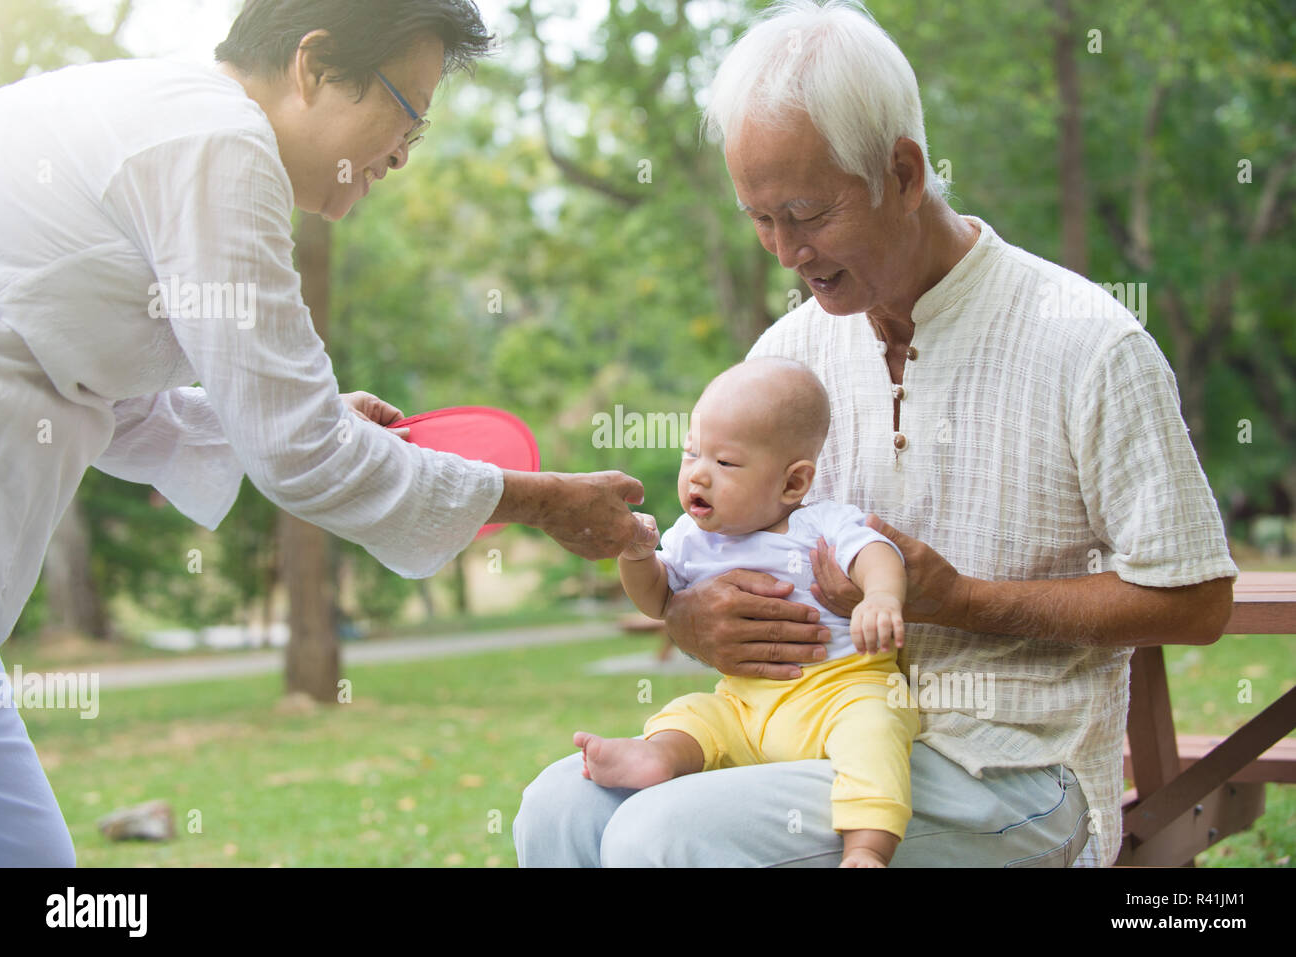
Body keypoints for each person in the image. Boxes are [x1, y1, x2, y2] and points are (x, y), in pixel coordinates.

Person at [513, 0, 1237, 868]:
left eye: (808, 214)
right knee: (559, 806)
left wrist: (961, 598)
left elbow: (1198, 601)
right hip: (797, 734)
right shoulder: (786, 353)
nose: (784, 250)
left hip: (1009, 769)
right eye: (759, 217)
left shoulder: (1088, 342)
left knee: (661, 834)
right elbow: (707, 559)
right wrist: (686, 615)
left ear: (902, 171)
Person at [0, 0, 648, 866]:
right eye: (407, 112)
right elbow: (297, 454)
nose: (404, 153)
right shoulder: (216, 141)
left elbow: (116, 401)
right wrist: (540, 502)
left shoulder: (159, 117)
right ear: (313, 65)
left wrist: (319, 417)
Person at [574, 358, 918, 867]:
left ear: (792, 484)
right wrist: (636, 554)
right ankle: (657, 756)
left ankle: (866, 846)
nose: (698, 474)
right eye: (691, 454)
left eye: (725, 463)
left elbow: (876, 553)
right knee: (692, 715)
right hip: (744, 702)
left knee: (875, 733)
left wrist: (881, 597)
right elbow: (658, 600)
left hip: (841, 691)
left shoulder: (817, 525)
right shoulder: (691, 540)